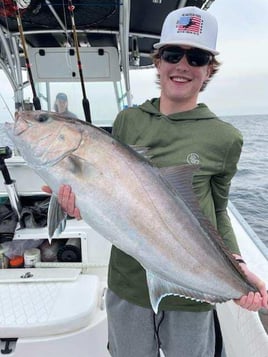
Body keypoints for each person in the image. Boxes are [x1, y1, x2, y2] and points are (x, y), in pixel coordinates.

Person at [44, 6, 268, 357]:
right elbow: (111, 197)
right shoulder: (128, 121)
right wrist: (77, 204)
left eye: (196, 57)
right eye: (172, 54)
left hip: (192, 288)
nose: (182, 65)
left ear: (209, 69)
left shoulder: (225, 138)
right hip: (127, 285)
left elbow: (218, 211)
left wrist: (237, 268)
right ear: (158, 61)